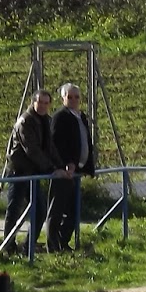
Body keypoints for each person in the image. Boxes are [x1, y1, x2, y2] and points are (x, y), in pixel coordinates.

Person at [4, 89, 65, 249]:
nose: (43, 106)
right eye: (40, 102)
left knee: (40, 210)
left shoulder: (46, 121)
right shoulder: (25, 121)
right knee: (14, 211)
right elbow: (32, 150)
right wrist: (51, 169)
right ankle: (8, 248)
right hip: (19, 171)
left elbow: (50, 148)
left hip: (33, 173)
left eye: (46, 103)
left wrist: (61, 166)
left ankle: (28, 247)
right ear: (33, 103)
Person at [48, 82, 97, 253]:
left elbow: (85, 141)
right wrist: (66, 163)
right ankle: (53, 245)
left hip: (77, 172)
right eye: (70, 97)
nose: (74, 100)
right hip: (64, 172)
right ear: (63, 98)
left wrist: (87, 166)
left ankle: (63, 242)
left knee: (74, 211)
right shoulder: (60, 117)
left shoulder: (80, 116)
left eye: (77, 97)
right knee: (57, 209)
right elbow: (56, 144)